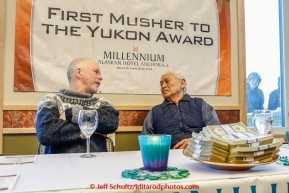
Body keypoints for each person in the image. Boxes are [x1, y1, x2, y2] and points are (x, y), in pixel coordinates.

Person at [36, 57, 119, 154]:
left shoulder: (103, 103)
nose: (101, 77)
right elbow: (46, 133)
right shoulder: (51, 100)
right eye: (96, 72)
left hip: (95, 165)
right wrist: (91, 130)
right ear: (79, 73)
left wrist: (70, 113)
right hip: (59, 167)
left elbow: (111, 123)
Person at [141, 72, 220, 149]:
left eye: (167, 81)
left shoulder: (200, 104)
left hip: (199, 153)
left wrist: (196, 141)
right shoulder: (155, 111)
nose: (163, 86)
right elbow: (145, 141)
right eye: (161, 84)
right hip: (169, 157)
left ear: (182, 83)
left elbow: (215, 133)